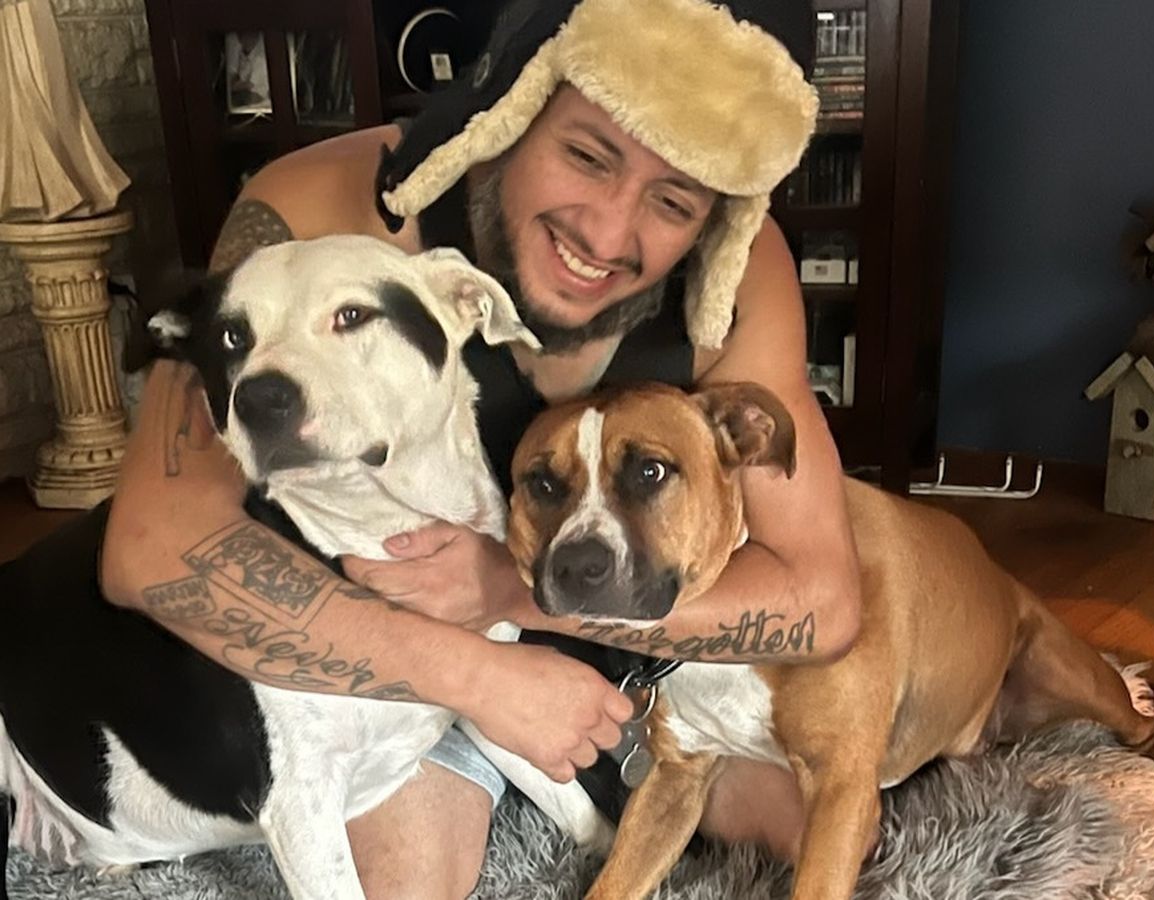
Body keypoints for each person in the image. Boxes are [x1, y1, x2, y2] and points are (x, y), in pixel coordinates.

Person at [101, 0, 863, 897]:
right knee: (401, 881)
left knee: (804, 821)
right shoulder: (317, 208)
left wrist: (511, 594)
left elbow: (822, 601)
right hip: (375, 639)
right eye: (588, 155)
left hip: (611, 630)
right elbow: (151, 549)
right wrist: (479, 676)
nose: (606, 235)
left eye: (673, 201)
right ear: (506, 109)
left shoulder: (740, 270)